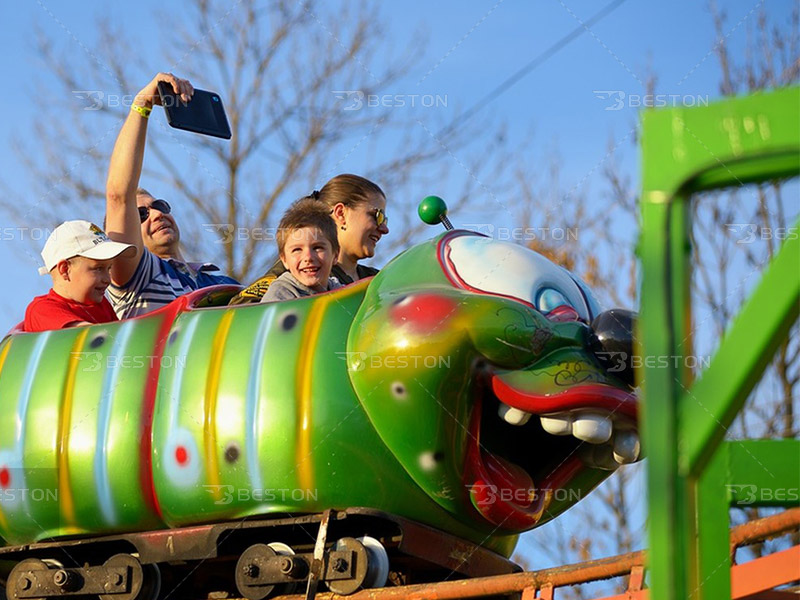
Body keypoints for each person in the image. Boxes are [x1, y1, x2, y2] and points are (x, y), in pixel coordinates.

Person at [105, 72, 239, 320]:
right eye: (141, 214)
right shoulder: (139, 276)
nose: (156, 214)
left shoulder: (222, 282)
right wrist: (142, 105)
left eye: (160, 205)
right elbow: (118, 196)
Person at [231, 173, 388, 304]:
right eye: (377, 216)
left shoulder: (378, 280)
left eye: (385, 220)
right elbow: (241, 312)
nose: (384, 229)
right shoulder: (295, 274)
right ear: (340, 213)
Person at [24, 220, 136, 332]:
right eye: (98, 268)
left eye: (109, 268)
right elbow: (85, 336)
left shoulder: (101, 305)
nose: (108, 279)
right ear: (65, 270)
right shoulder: (42, 310)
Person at [261, 199, 342, 302]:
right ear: (284, 259)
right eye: (297, 250)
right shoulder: (280, 295)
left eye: (317, 248)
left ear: (335, 255)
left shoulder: (342, 291)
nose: (308, 257)